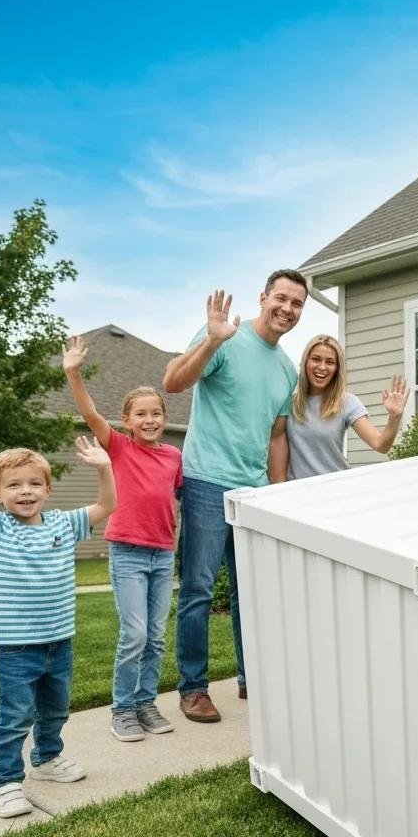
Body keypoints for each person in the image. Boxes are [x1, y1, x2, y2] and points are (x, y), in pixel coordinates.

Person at [0, 403, 117, 818]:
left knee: (56, 707)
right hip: (16, 647)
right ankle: (4, 782)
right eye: (15, 485)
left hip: (59, 641)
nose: (26, 491)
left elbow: (107, 505)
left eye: (35, 483)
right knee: (15, 714)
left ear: (48, 489)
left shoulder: (62, 524)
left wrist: (105, 467)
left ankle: (46, 759)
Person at [163, 270, 306, 723]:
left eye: (297, 304)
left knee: (252, 593)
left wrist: (277, 491)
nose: (287, 308)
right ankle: (193, 687)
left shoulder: (286, 368)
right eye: (281, 298)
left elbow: (277, 433)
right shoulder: (223, 337)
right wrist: (211, 341)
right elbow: (173, 382)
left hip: (254, 493)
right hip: (207, 480)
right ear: (264, 297)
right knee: (199, 588)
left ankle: (251, 678)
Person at [63, 338, 183, 742]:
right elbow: (89, 412)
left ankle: (146, 702)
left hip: (163, 554)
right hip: (128, 552)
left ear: (164, 417)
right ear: (127, 420)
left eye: (156, 413)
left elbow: (174, 495)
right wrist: (73, 372)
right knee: (134, 634)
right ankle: (122, 709)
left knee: (157, 635)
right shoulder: (119, 447)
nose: (149, 420)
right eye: (140, 414)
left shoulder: (173, 457)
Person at [282, 334, 409, 479]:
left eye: (330, 362)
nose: (322, 367)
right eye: (316, 359)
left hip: (337, 488)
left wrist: (395, 416)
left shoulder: (347, 402)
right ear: (305, 363)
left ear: (337, 368)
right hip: (297, 492)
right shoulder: (289, 404)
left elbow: (381, 445)